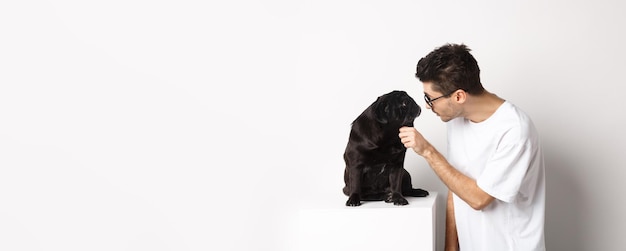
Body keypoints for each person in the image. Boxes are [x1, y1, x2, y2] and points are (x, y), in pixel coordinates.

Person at [398, 43, 545, 251]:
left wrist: (427, 151)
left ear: (458, 96)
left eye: (430, 99)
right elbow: (454, 185)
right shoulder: (456, 118)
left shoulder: (515, 129)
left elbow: (478, 199)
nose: (427, 106)